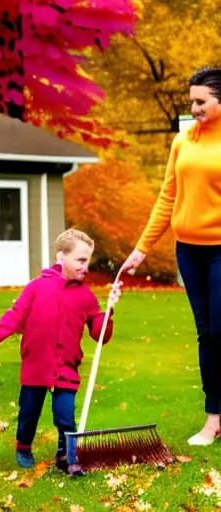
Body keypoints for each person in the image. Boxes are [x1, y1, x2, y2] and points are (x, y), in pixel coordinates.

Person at [0, 229, 122, 475]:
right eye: (80, 260)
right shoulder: (37, 287)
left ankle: (65, 456)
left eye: (88, 261)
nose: (85, 266)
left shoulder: (86, 296)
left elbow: (100, 335)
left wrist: (109, 311)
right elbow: (12, 318)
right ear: (61, 256)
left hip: (66, 366)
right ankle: (23, 446)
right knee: (29, 411)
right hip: (36, 363)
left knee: (65, 416)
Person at [121, 67, 221, 447]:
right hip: (189, 251)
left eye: (201, 101)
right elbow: (167, 197)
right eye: (191, 101)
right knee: (207, 334)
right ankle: (213, 419)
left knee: (220, 330)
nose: (193, 108)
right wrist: (141, 249)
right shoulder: (183, 141)